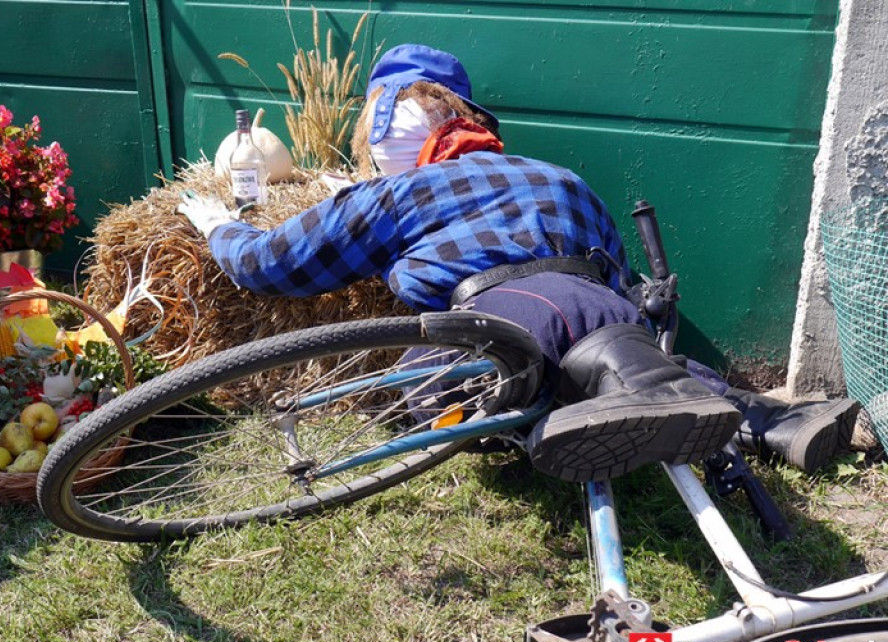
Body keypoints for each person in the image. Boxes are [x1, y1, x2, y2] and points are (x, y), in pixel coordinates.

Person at [179, 43, 860, 481]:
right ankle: (768, 418)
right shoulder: (562, 178)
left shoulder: (400, 192)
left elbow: (274, 264)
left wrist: (217, 227)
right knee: (632, 348)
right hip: (604, 315)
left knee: (440, 371)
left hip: (495, 332)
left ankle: (545, 424)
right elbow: (618, 273)